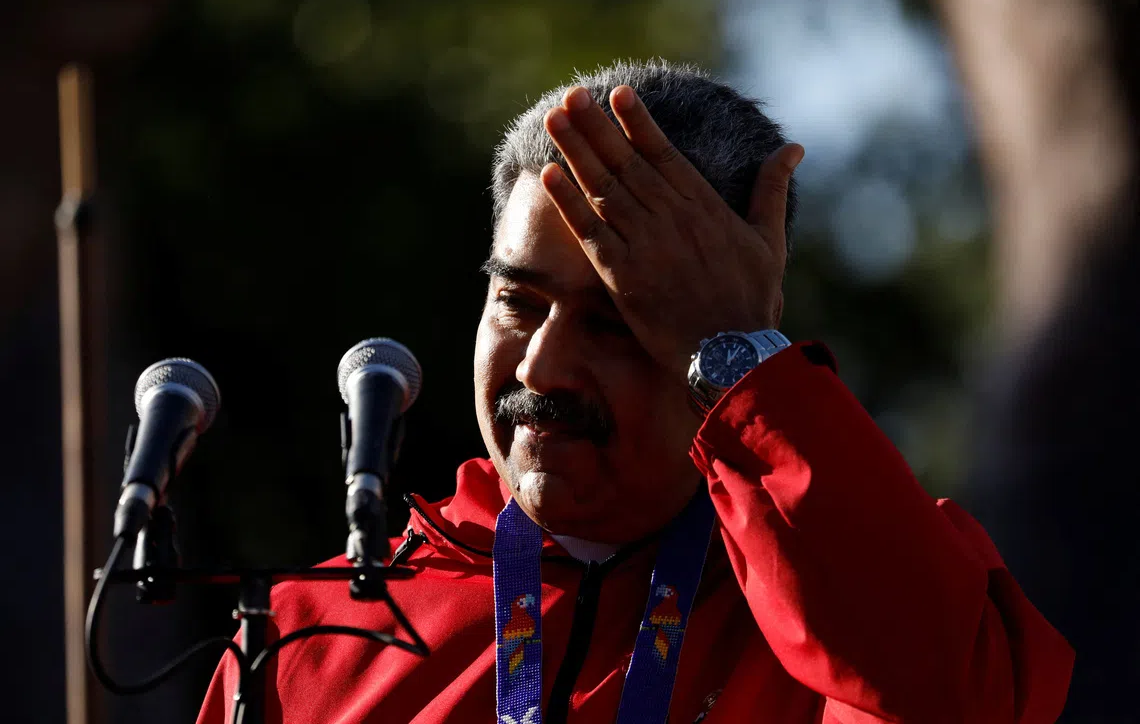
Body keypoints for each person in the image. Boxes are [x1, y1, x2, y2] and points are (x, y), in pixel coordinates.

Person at [196, 59, 1073, 724]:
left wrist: (744, 357)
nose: (542, 367)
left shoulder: (865, 598)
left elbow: (943, 696)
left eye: (615, 322)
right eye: (516, 302)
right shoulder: (305, 634)